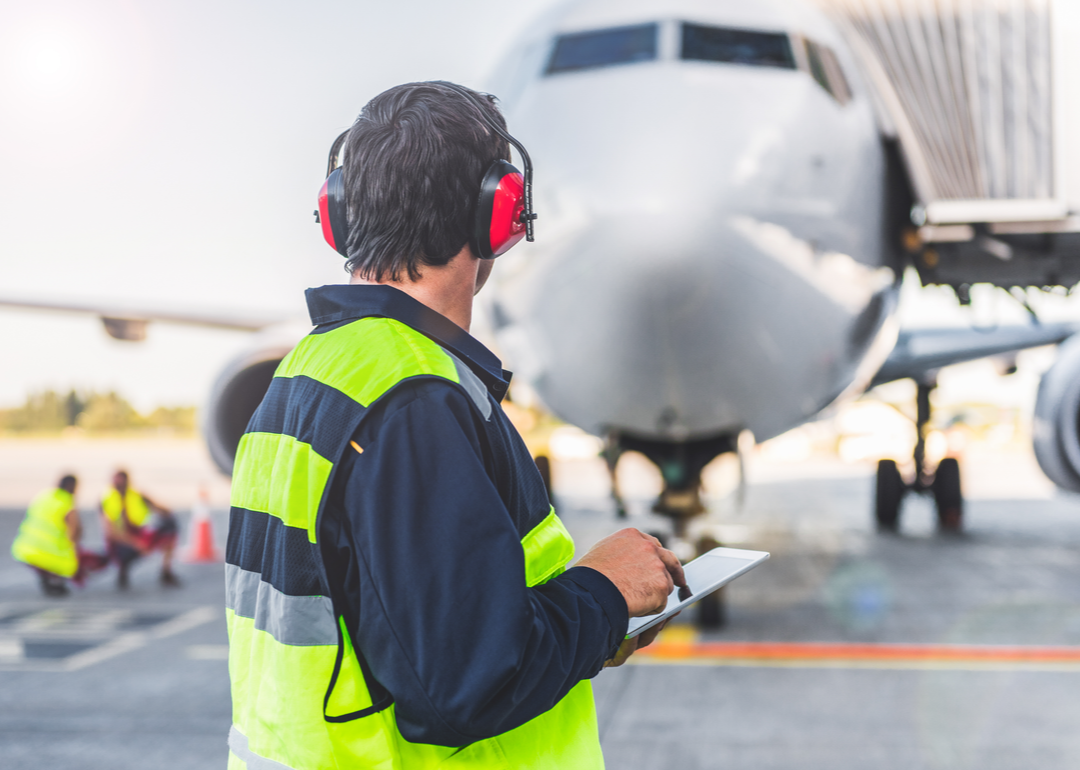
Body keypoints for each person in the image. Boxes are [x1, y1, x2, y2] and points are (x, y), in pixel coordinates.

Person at [225, 81, 685, 770]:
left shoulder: (308, 371)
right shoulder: (413, 402)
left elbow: (398, 629)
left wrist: (592, 628)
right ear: (500, 213)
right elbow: (464, 686)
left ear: (340, 215)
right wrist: (604, 593)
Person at [11, 475, 107, 596]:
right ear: (71, 486)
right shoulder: (66, 501)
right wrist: (74, 547)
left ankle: (50, 578)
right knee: (88, 559)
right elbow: (74, 530)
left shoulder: (44, 496)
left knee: (51, 559)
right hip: (51, 555)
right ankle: (58, 580)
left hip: (24, 550)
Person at [100, 469, 180, 588]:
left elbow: (162, 510)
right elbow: (112, 533)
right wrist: (137, 544)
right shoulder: (108, 501)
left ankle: (166, 571)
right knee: (123, 550)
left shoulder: (136, 496)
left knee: (170, 527)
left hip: (138, 533)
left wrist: (159, 507)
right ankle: (123, 570)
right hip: (121, 541)